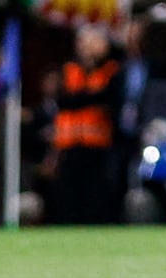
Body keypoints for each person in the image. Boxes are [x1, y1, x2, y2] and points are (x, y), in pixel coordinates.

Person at [47, 22, 126, 225]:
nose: (85, 46)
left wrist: (83, 99)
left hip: (97, 146)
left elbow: (110, 99)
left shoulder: (112, 71)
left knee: (95, 196)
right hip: (69, 145)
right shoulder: (69, 69)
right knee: (66, 196)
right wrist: (91, 98)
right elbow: (62, 101)